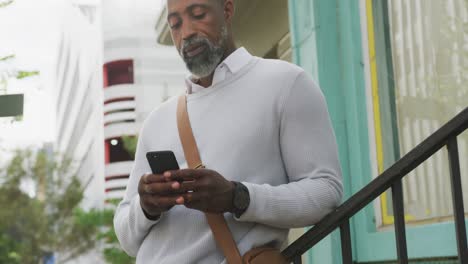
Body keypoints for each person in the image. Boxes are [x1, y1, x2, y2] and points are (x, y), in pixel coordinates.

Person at [114, 0, 343, 263]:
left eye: (198, 15)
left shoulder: (286, 83)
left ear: (227, 9)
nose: (186, 33)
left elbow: (326, 191)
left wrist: (238, 197)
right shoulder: (157, 120)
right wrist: (146, 207)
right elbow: (126, 238)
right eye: (175, 25)